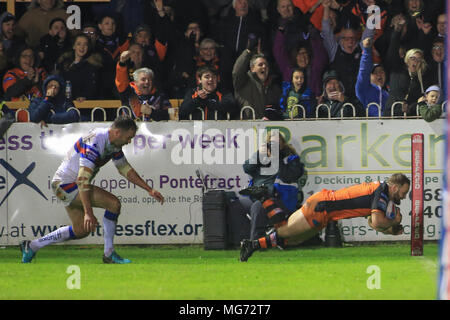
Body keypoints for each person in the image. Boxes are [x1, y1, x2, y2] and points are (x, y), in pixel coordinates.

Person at [20, 116, 165, 264]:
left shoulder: (113, 144)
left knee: (81, 230)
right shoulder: (96, 142)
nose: (129, 141)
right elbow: (83, 180)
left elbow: (125, 169)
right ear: (117, 132)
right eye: (129, 137)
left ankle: (32, 246)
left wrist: (149, 189)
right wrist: (88, 213)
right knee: (113, 204)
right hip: (67, 185)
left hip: (62, 185)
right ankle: (109, 254)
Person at [240, 173, 410, 261]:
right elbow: (378, 221)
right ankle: (264, 197)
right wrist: (393, 222)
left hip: (325, 208)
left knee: (294, 240)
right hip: (323, 206)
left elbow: (373, 224)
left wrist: (391, 231)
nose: (404, 196)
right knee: (283, 230)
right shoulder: (381, 194)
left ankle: (252, 245)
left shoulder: (381, 192)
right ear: (395, 187)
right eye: (404, 192)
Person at [240, 130, 305, 241]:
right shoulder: (261, 157)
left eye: (277, 143)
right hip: (257, 196)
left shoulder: (291, 159)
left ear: (283, 144)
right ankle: (237, 242)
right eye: (271, 143)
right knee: (236, 205)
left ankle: (255, 243)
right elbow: (247, 168)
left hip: (281, 199)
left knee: (258, 206)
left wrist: (275, 158)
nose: (273, 146)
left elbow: (288, 176)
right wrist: (259, 154)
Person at [115, 50, 171, 121]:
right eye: (143, 79)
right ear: (135, 82)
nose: (147, 82)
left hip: (155, 130)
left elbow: (169, 115)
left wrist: (151, 112)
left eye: (149, 79)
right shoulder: (128, 92)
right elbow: (121, 81)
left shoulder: (160, 95)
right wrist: (122, 63)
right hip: (130, 129)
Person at [232, 46, 283, 120]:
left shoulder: (274, 87)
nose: (264, 67)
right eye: (260, 64)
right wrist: (247, 51)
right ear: (252, 68)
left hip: (267, 128)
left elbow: (278, 109)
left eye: (266, 65)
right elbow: (237, 72)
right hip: (246, 128)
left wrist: (272, 117)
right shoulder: (243, 82)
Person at [56, 33, 102, 102]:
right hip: (64, 105)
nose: (82, 47)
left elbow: (92, 89)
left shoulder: (92, 67)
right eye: (79, 44)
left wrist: (84, 96)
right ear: (74, 46)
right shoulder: (64, 64)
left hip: (82, 106)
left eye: (85, 44)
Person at [355, 36, 388, 117]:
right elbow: (364, 70)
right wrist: (367, 50)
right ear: (368, 77)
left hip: (387, 128)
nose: (379, 74)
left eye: (381, 71)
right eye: (375, 72)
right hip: (367, 128)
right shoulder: (363, 89)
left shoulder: (388, 94)